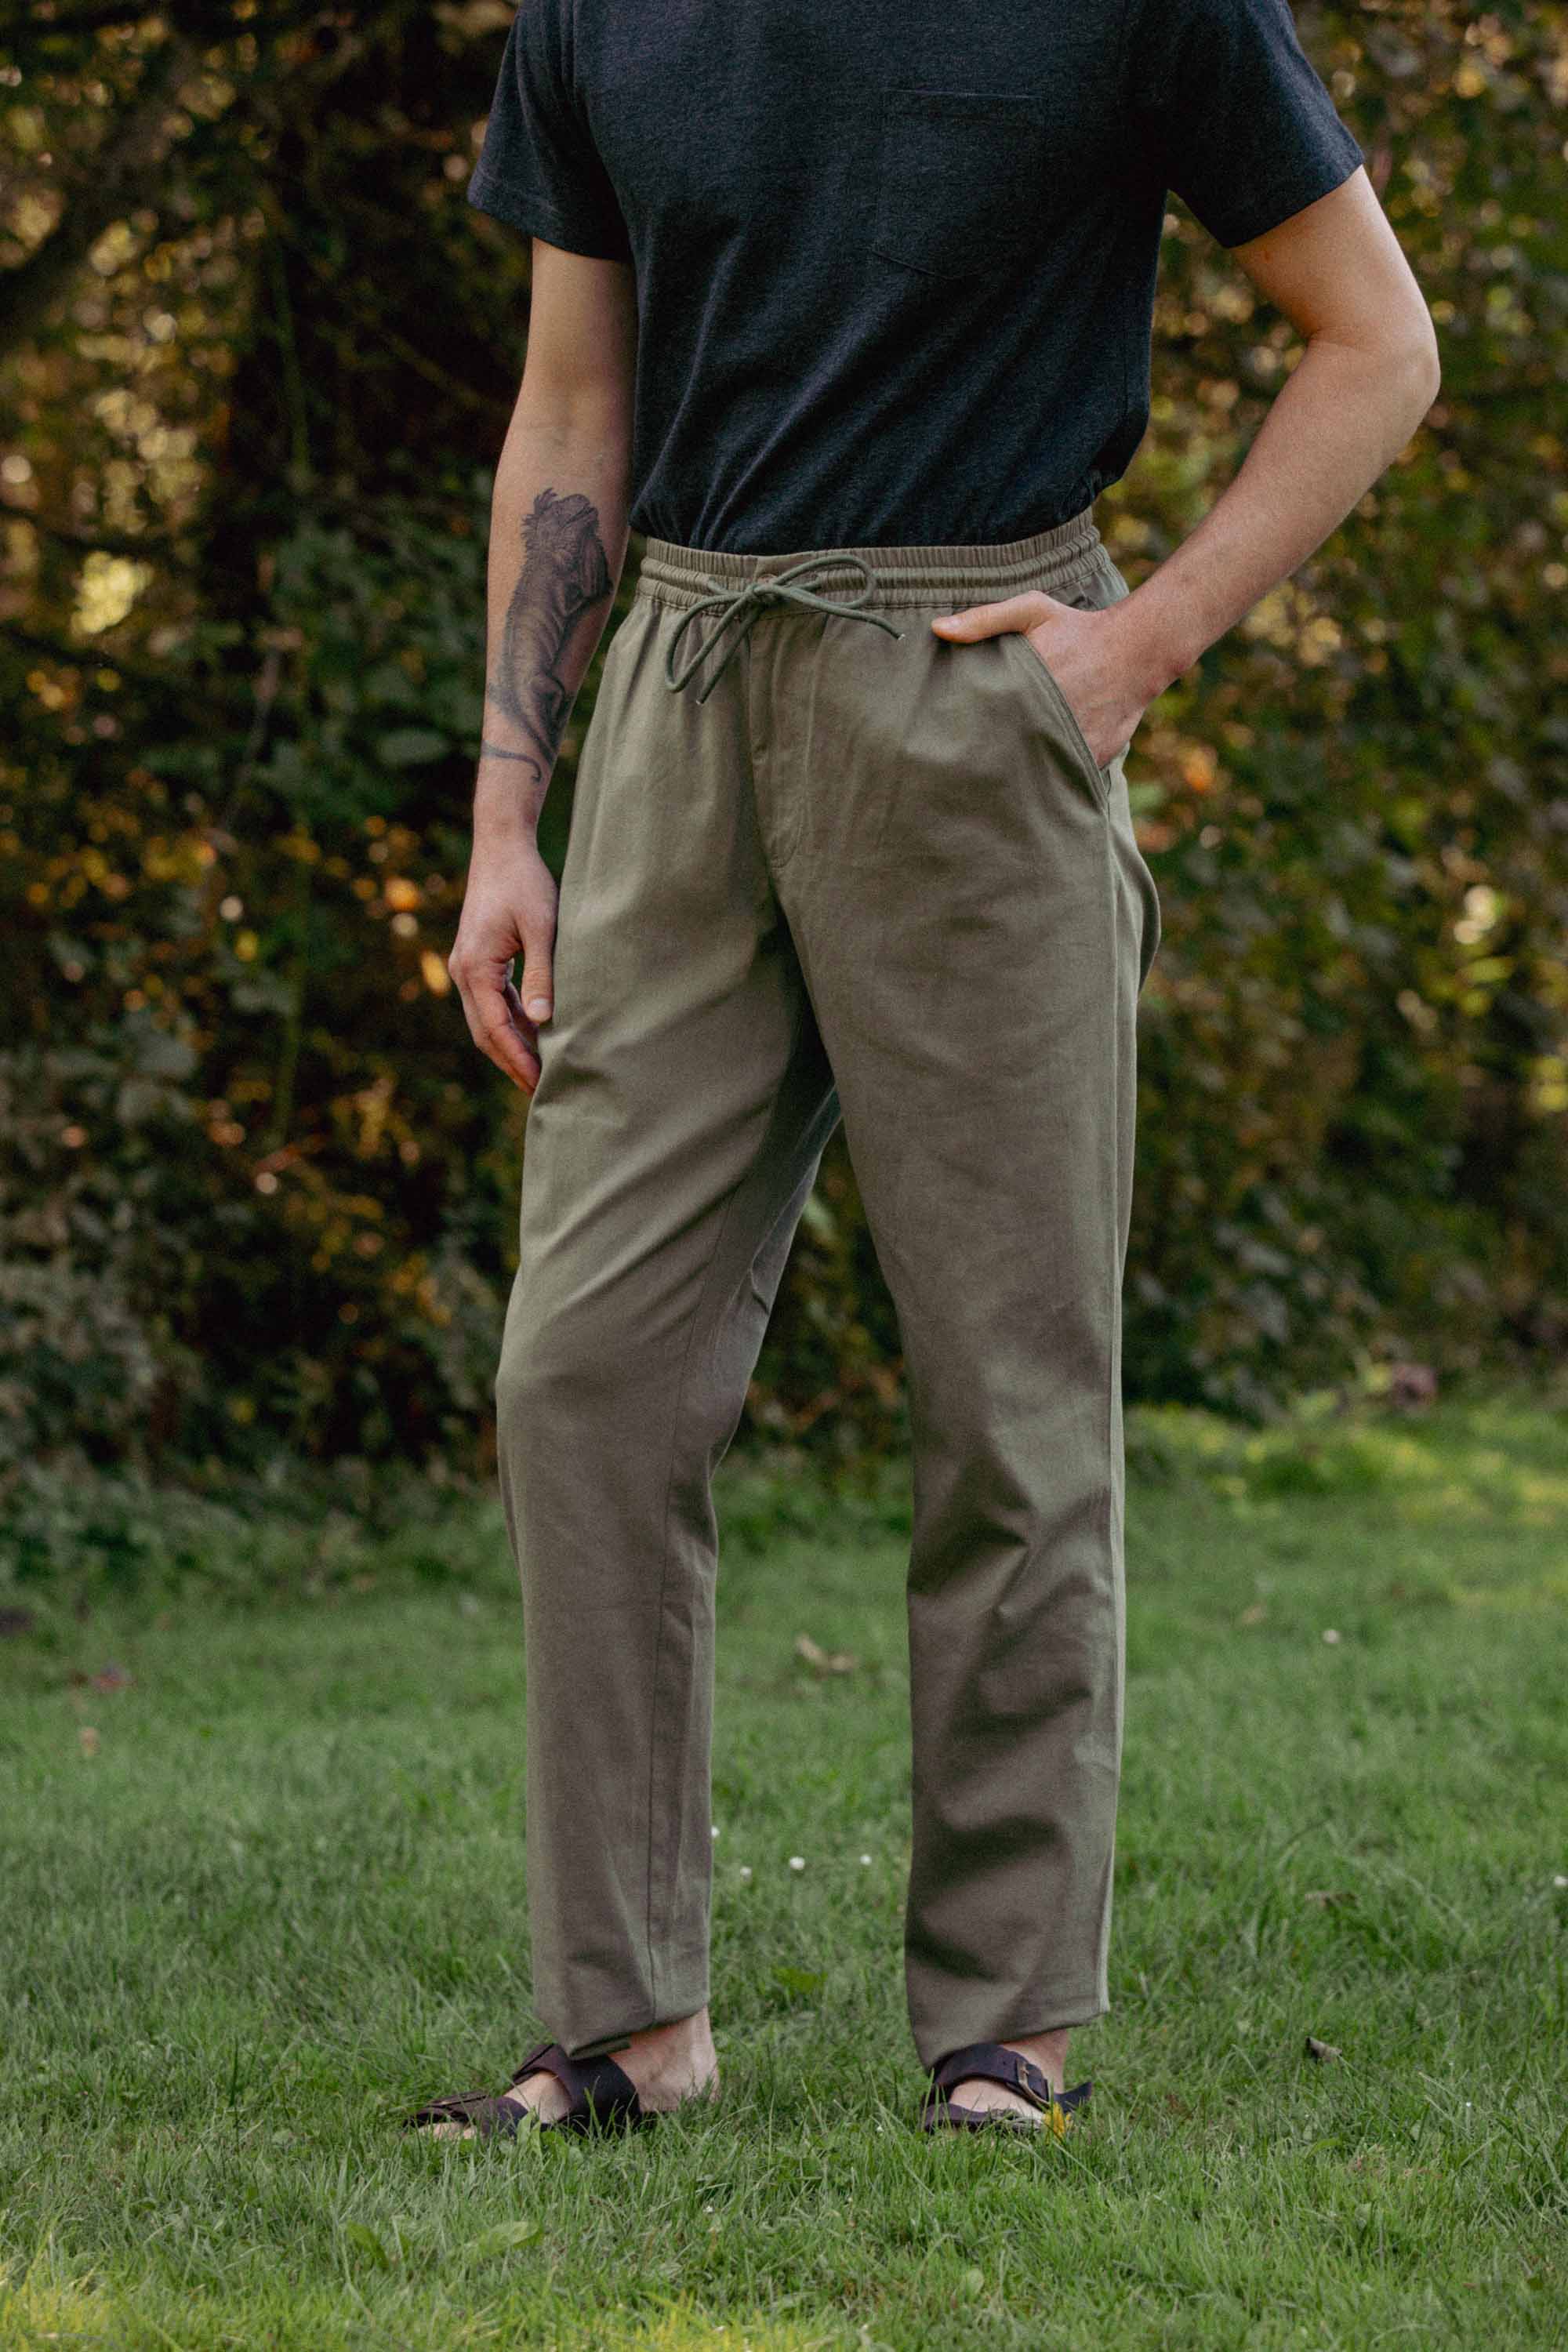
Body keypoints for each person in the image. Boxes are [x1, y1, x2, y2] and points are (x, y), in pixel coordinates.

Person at [407, 0, 1439, 2140]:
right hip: (677, 704)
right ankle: (624, 2025)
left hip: (974, 692)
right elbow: (573, 408)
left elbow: (1377, 340)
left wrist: (1137, 648)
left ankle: (1006, 2026)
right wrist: (513, 811)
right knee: (581, 1371)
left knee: (1006, 1392)